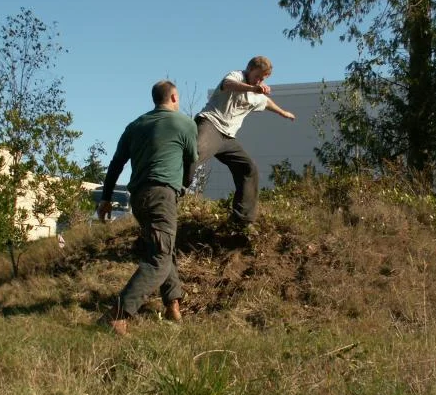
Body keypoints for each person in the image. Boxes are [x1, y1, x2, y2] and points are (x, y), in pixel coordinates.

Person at [97, 79, 198, 335]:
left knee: (163, 249)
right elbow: (191, 163)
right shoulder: (185, 123)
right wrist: (184, 187)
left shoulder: (135, 125)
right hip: (162, 194)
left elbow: (116, 164)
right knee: (159, 258)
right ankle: (118, 314)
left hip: (138, 198)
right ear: (174, 98)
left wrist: (106, 198)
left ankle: (173, 305)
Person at [190, 56, 295, 226]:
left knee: (248, 169)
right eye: (257, 76)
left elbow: (266, 102)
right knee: (194, 153)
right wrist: (253, 87)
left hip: (228, 138)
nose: (259, 81)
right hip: (211, 124)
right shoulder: (237, 76)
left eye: (263, 79)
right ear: (249, 69)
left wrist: (282, 112)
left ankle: (243, 220)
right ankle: (173, 191)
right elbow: (228, 84)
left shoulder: (257, 94)